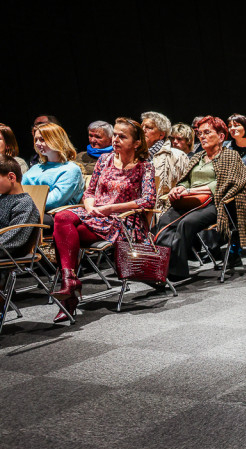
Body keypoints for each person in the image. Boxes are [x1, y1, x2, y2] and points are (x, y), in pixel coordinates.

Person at [51, 118, 155, 321]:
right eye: (114, 135)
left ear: (136, 143)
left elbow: (148, 200)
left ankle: (69, 296)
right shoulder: (104, 160)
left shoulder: (145, 167)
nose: (115, 139)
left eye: (122, 136)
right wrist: (90, 207)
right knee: (62, 219)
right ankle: (69, 281)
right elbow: (89, 192)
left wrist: (110, 208)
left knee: (62, 234)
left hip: (121, 221)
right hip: (95, 216)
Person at [153, 116, 246, 280]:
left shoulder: (230, 156)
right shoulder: (197, 157)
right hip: (191, 201)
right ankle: (159, 268)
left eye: (207, 132)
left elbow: (228, 182)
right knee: (164, 220)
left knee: (187, 223)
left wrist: (194, 191)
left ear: (221, 136)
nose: (202, 136)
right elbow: (186, 180)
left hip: (219, 203)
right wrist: (180, 188)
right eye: (200, 133)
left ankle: (174, 271)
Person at [23, 123, 85, 213]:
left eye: (42, 139)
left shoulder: (70, 170)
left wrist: (21, 204)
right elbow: (18, 191)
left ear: (56, 140)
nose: (37, 143)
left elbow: (54, 201)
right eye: (36, 139)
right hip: (29, 211)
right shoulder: (35, 168)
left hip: (54, 215)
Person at [141, 111, 189, 215]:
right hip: (136, 213)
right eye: (142, 126)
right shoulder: (133, 155)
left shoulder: (178, 156)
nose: (143, 130)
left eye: (149, 127)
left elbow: (186, 186)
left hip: (166, 213)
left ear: (161, 135)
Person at [0, 154, 40, 259]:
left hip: (7, 252)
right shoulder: (2, 198)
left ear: (11, 177)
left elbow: (14, 239)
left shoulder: (24, 204)